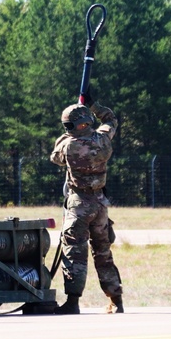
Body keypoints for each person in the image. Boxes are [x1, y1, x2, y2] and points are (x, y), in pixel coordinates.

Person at [49, 93, 124, 314]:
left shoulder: (69, 145)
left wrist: (66, 134)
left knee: (74, 252)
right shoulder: (102, 139)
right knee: (103, 252)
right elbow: (110, 120)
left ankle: (73, 302)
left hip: (79, 204)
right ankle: (116, 300)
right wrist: (93, 104)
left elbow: (55, 157)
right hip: (100, 203)